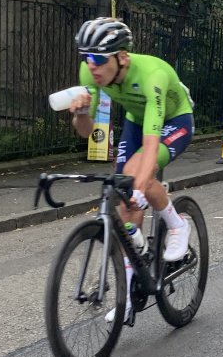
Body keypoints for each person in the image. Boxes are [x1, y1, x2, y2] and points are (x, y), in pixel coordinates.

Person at [69, 18, 195, 322]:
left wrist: (140, 186)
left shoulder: (151, 74)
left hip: (174, 120)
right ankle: (129, 290)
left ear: (122, 57)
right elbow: (85, 132)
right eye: (86, 57)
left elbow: (151, 147)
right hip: (136, 122)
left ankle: (177, 225)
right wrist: (81, 112)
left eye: (98, 58)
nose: (92, 65)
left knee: (140, 175)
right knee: (127, 201)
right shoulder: (91, 71)